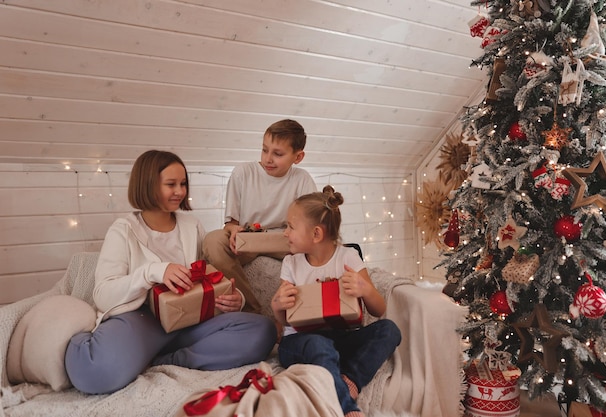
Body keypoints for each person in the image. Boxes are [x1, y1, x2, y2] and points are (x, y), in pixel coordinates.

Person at [64, 150, 277, 395]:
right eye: (171, 184)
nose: (180, 191)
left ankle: (169, 360)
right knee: (93, 373)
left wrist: (235, 298)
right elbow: (103, 294)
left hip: (189, 321)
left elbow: (206, 277)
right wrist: (153, 272)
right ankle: (143, 352)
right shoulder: (123, 230)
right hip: (143, 320)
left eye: (183, 184)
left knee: (263, 330)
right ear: (148, 185)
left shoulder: (191, 225)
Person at [271, 186, 402, 417]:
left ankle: (349, 379)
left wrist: (365, 290)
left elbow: (379, 310)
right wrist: (277, 305)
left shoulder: (348, 257)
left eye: (290, 227)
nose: (285, 233)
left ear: (316, 234)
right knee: (320, 346)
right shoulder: (291, 264)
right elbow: (284, 320)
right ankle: (346, 407)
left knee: (389, 330)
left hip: (341, 337)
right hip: (299, 342)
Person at [202, 119, 317, 313]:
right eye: (265, 150)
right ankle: (253, 310)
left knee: (317, 243)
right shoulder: (243, 173)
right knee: (213, 241)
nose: (268, 159)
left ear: (298, 157)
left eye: (278, 154)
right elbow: (230, 224)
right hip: (249, 238)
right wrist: (234, 231)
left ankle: (310, 311)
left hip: (284, 240)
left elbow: (310, 224)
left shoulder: (302, 179)